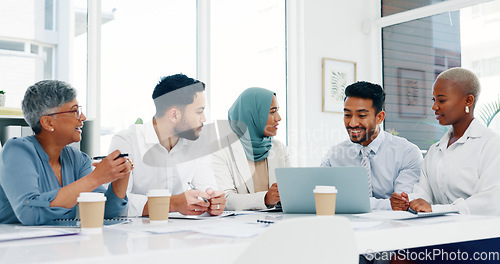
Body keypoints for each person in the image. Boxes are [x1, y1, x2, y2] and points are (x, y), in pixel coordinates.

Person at [0, 80, 131, 225]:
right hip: (13, 243)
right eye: (74, 111)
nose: (82, 118)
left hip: (58, 242)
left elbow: (103, 213)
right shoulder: (17, 151)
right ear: (48, 123)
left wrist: (120, 175)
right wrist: (96, 178)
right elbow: (29, 213)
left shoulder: (78, 159)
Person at [109, 73, 226, 217]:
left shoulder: (198, 142)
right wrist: (172, 204)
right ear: (174, 115)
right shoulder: (126, 141)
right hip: (134, 234)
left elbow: (208, 188)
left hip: (182, 233)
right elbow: (118, 204)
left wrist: (214, 201)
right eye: (199, 112)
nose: (204, 119)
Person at [391, 67, 500, 215]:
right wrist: (408, 201)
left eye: (441, 100)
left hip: (483, 234)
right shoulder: (435, 150)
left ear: (468, 100)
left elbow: (490, 202)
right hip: (444, 233)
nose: (434, 106)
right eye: (434, 99)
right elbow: (424, 194)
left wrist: (437, 209)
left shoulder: (491, 145)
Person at [321, 81, 423, 211]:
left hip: (392, 227)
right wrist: (386, 205)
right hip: (346, 225)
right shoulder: (335, 154)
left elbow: (402, 204)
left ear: (380, 117)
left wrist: (346, 202)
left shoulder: (407, 153)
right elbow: (321, 197)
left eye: (361, 116)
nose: (352, 123)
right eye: (347, 115)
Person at [212, 88, 289, 211]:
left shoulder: (279, 148)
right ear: (252, 115)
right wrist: (265, 199)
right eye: (272, 112)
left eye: (277, 111)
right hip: (237, 227)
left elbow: (290, 190)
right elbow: (224, 199)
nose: (279, 118)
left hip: (276, 224)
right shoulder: (221, 150)